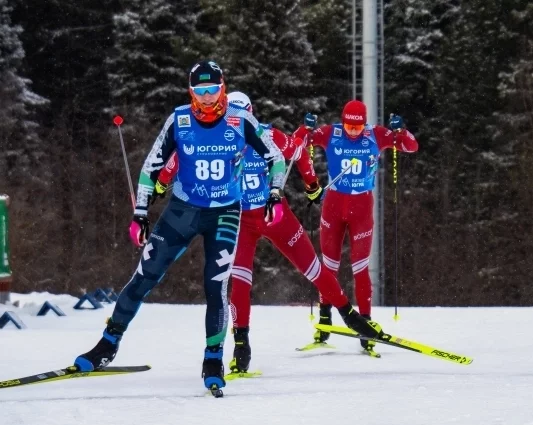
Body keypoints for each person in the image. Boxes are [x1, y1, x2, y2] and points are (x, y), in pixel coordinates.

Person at [73, 61, 287, 395]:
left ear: (223, 88)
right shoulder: (180, 120)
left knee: (215, 285)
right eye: (199, 92)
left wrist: (275, 194)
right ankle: (107, 345)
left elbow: (276, 157)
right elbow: (151, 165)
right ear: (191, 92)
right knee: (145, 275)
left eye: (212, 90)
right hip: (183, 210)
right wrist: (141, 212)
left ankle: (213, 358)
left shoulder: (239, 120)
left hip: (225, 213)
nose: (205, 98)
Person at [156, 92, 386, 374]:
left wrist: (312, 184)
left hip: (273, 215)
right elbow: (178, 158)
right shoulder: (215, 139)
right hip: (240, 219)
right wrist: (161, 183)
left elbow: (300, 150)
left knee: (311, 267)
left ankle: (350, 316)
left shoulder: (266, 135)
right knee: (240, 279)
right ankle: (242, 346)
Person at [294, 100, 419, 356]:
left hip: (362, 207)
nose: (353, 130)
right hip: (334, 206)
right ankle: (325, 321)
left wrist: (400, 131)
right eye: (349, 125)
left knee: (360, 268)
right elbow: (298, 144)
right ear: (343, 120)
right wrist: (304, 129)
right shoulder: (332, 132)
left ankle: (365, 323)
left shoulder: (376, 134)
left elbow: (411, 146)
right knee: (329, 266)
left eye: (358, 126)